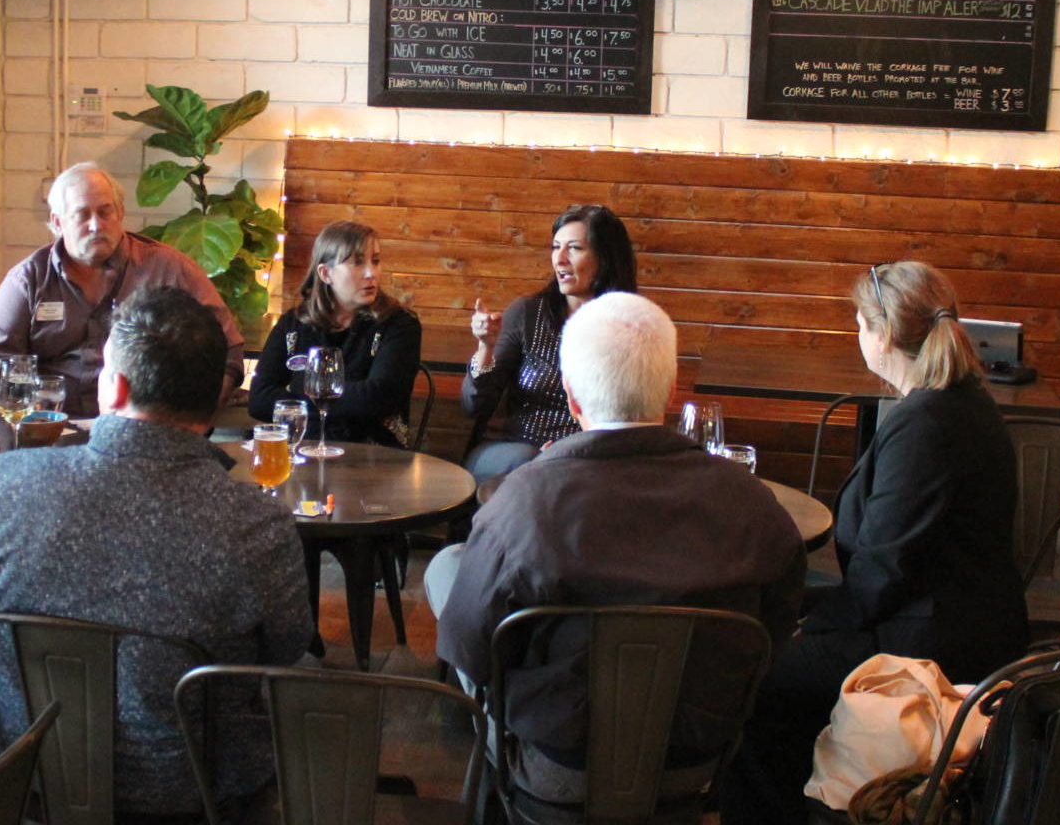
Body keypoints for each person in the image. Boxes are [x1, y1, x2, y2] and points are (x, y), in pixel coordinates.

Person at [0, 286, 309, 818]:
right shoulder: (257, 524)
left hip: (31, 785)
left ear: (114, 385)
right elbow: (283, 650)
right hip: (197, 798)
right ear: (214, 397)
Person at [427, 292, 804, 804]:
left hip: (559, 769)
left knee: (447, 569)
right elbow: (774, 637)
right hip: (696, 768)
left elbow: (468, 648)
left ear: (572, 396)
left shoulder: (523, 500)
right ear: (670, 391)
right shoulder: (753, 503)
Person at [721, 261, 1028, 825]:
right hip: (955, 617)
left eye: (859, 323)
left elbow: (885, 572)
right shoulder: (961, 402)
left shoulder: (926, 423)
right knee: (775, 637)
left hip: (930, 647)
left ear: (882, 334)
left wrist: (809, 625)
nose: (858, 335)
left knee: (751, 677)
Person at [0, 161, 244, 418]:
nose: (96, 225)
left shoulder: (170, 269)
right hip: (50, 430)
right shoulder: (28, 280)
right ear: (57, 223)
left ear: (121, 213)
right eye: (82, 215)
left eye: (105, 212)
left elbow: (228, 351)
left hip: (143, 432)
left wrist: (194, 421)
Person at [461, 203, 638, 484]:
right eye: (556, 247)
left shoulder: (630, 325)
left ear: (605, 258)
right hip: (512, 452)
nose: (560, 259)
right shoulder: (529, 313)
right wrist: (486, 347)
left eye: (574, 248)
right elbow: (476, 405)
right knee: (533, 464)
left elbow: (631, 420)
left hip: (588, 459)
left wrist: (571, 450)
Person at [248, 219, 422, 446]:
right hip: (301, 447)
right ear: (326, 273)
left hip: (373, 455)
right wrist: (340, 398)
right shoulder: (294, 322)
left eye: (375, 261)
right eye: (357, 263)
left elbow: (377, 398)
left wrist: (300, 388)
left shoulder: (399, 323)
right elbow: (259, 399)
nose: (371, 273)